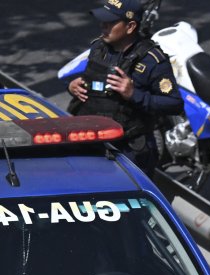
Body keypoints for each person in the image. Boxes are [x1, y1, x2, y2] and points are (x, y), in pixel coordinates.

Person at [66, 0, 182, 175]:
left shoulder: (151, 60)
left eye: (110, 23)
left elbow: (174, 104)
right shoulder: (99, 48)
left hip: (128, 152)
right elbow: (94, 82)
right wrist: (74, 87)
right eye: (102, 21)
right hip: (89, 142)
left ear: (130, 26)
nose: (103, 26)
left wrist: (133, 94)